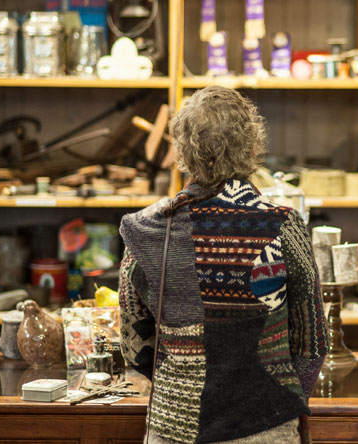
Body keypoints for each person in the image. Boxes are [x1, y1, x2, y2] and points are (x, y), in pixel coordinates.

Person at [119, 86, 329, 444]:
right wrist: (282, 399)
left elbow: (135, 346)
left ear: (182, 150)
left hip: (174, 427)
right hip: (266, 426)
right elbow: (312, 344)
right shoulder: (282, 226)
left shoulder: (146, 230)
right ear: (251, 144)